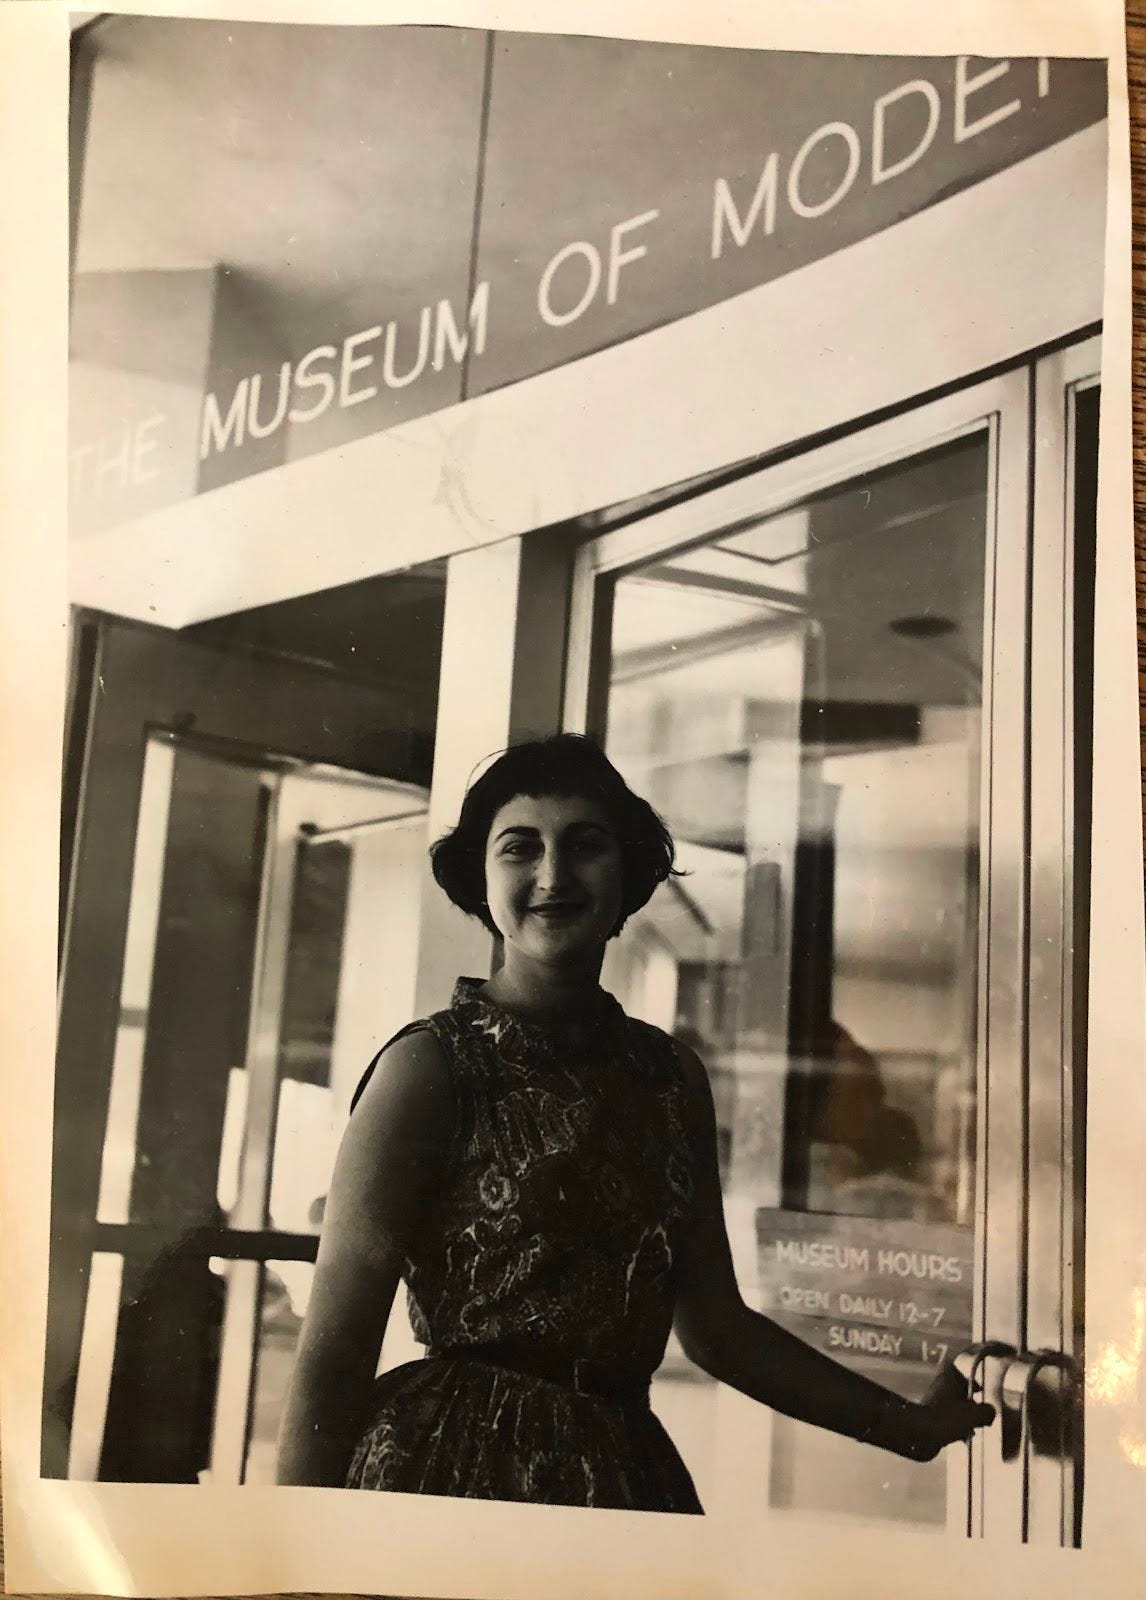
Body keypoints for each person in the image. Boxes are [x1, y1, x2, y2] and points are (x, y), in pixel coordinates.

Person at [275, 734, 993, 1511]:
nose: (554, 875)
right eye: (520, 848)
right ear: (481, 878)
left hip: (620, 1476)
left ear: (629, 874)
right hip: (449, 1474)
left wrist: (908, 1427)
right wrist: (290, 1553)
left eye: (585, 845)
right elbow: (335, 1353)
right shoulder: (428, 1068)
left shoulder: (670, 1077)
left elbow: (718, 1328)